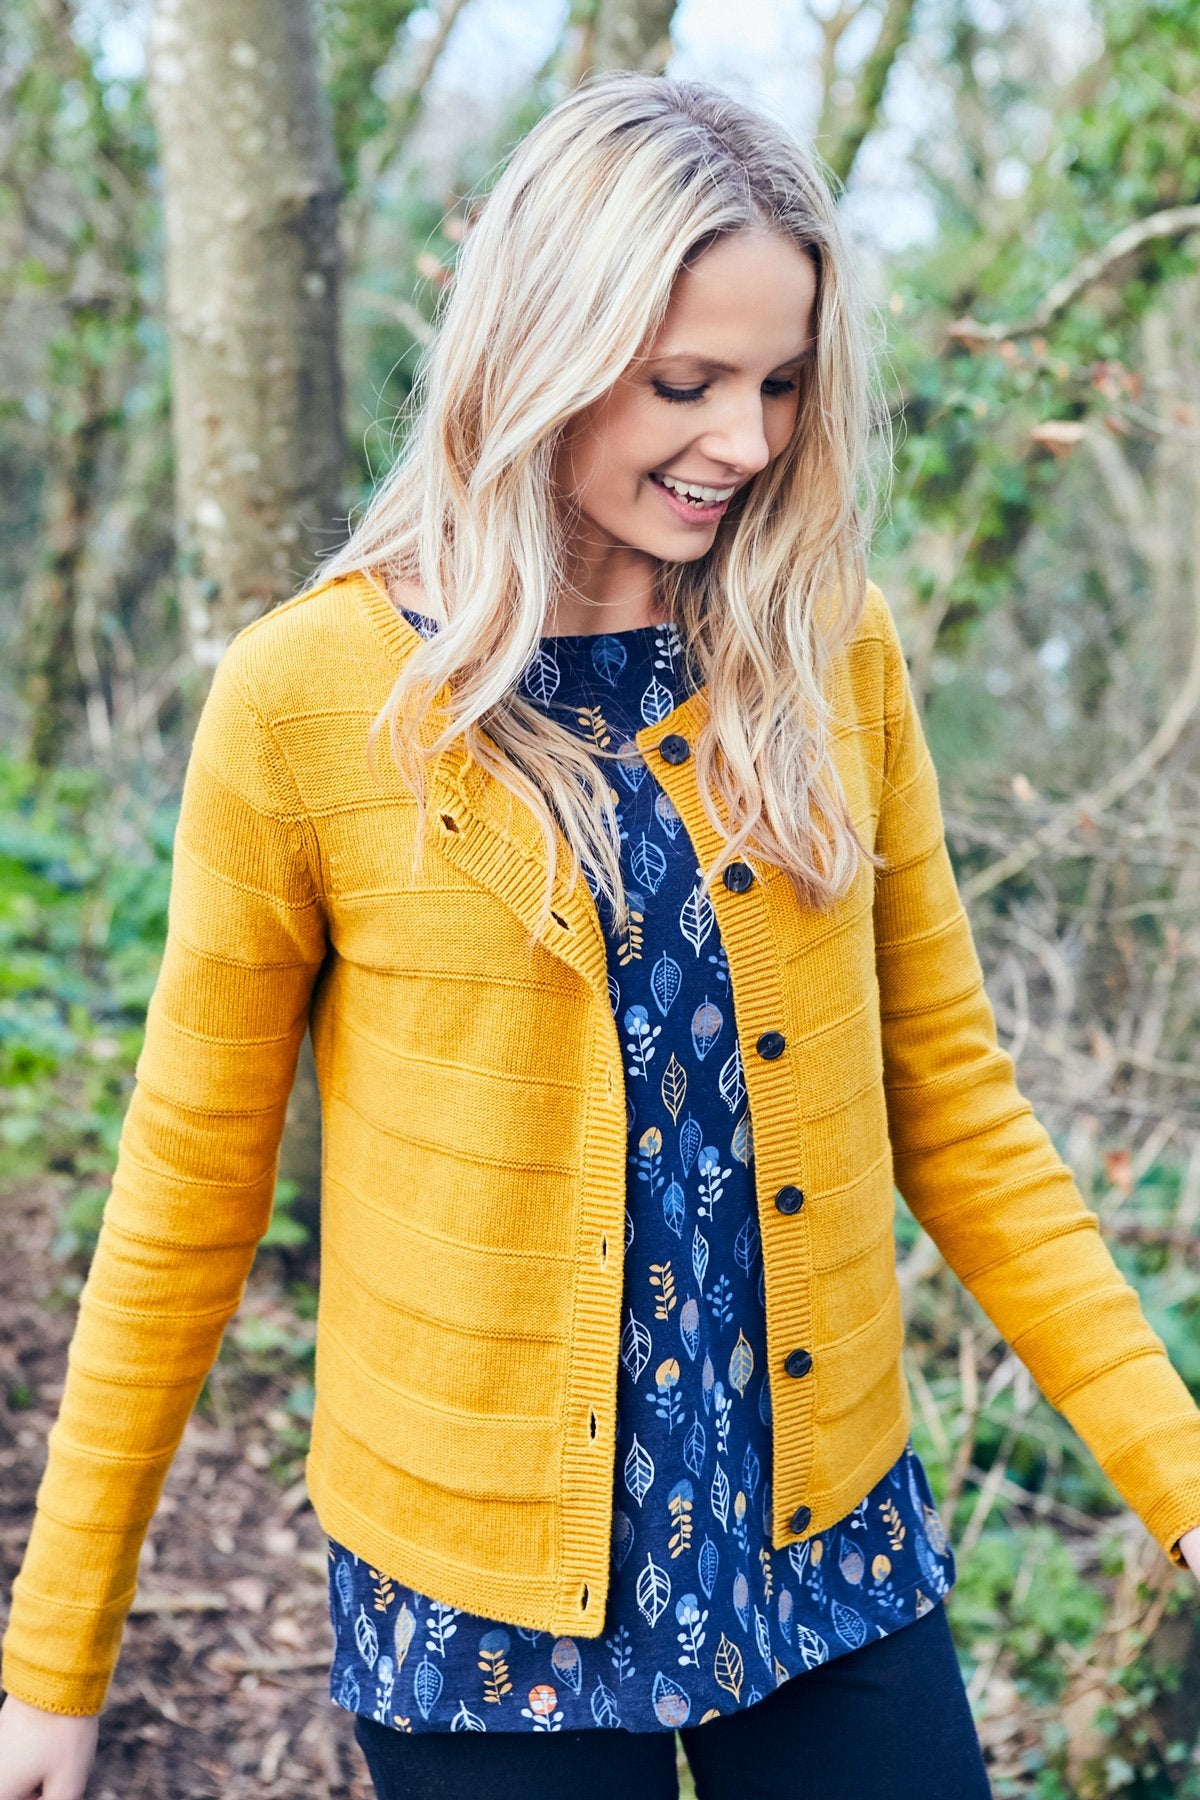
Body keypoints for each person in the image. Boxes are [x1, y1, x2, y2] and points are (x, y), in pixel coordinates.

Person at [2, 68, 1198, 1800]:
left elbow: (955, 1102)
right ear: (540, 350)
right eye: (686, 382)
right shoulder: (312, 702)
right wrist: (58, 1650)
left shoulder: (825, 654)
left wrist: (1172, 1464)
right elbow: (185, 1191)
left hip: (825, 1549)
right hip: (482, 1606)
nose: (750, 440)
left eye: (783, 383)